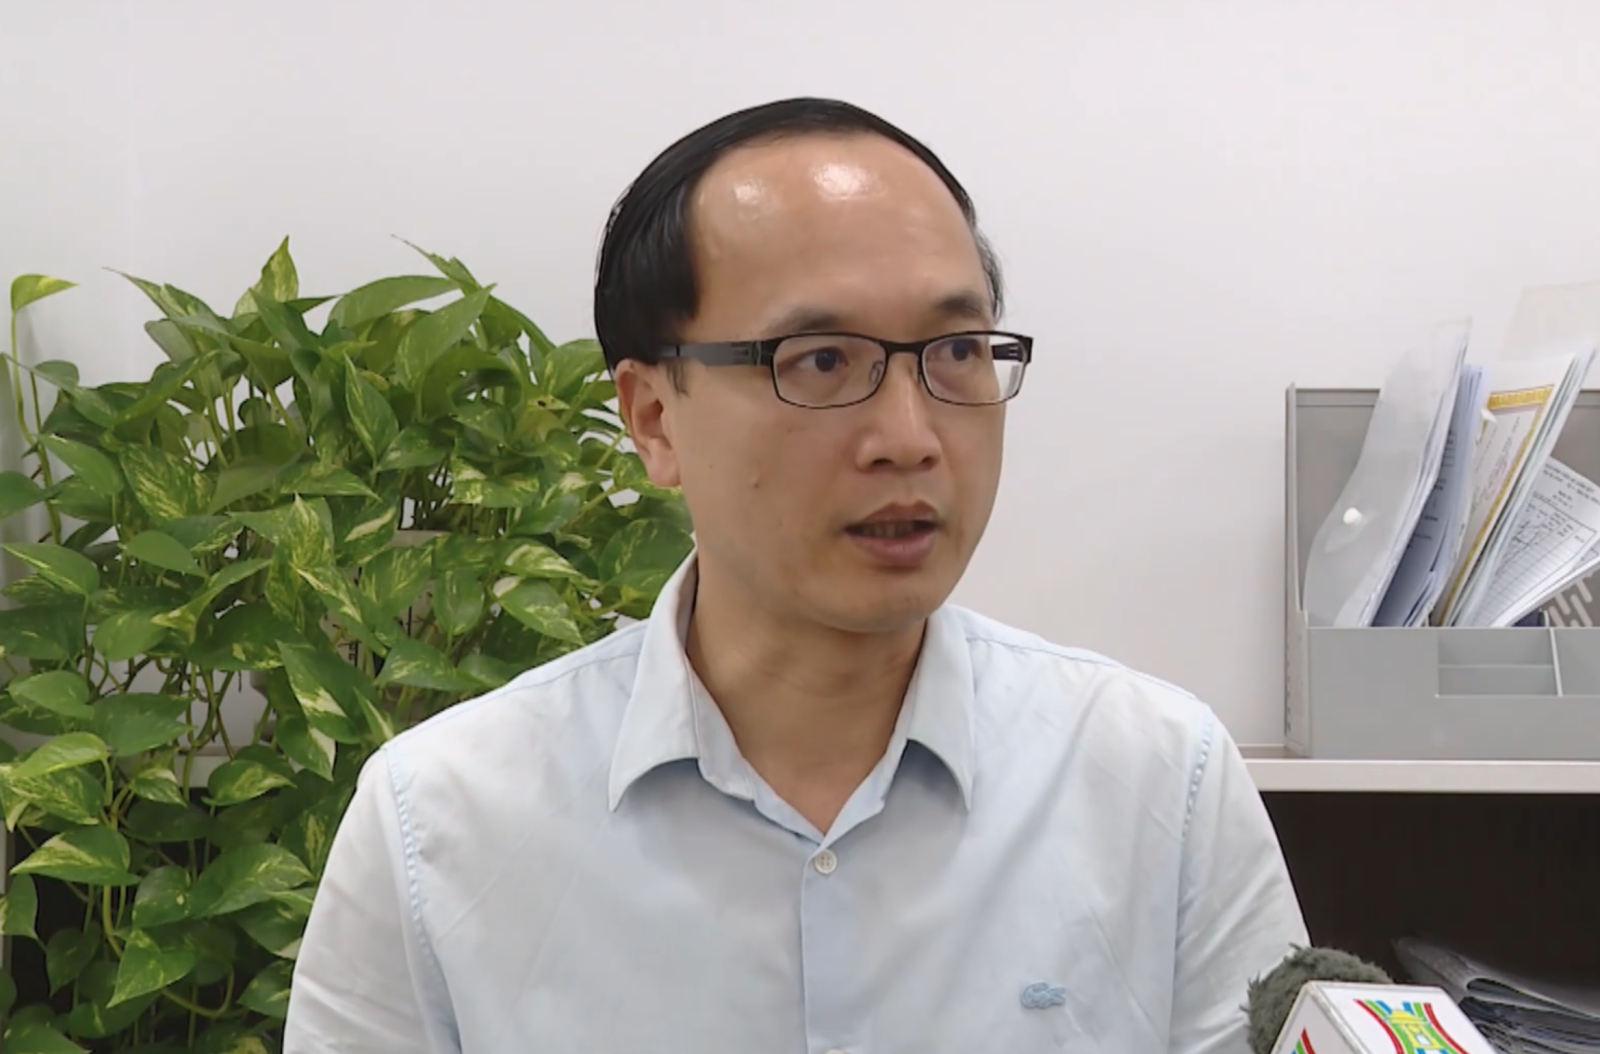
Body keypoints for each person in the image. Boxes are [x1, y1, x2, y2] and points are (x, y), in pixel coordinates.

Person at [284, 96, 1308, 1053]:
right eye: (821, 360)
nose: (909, 437)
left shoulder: (1156, 783)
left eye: (957, 350)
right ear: (653, 417)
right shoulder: (442, 825)